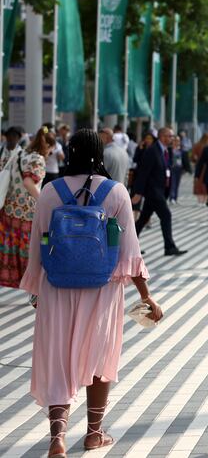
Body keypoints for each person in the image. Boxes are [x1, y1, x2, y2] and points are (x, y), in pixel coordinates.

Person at [21, 129, 162, 456]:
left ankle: (57, 438)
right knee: (99, 356)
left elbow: (38, 244)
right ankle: (94, 434)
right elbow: (130, 253)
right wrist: (146, 296)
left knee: (57, 359)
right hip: (103, 289)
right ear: (100, 154)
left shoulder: (49, 191)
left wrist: (36, 287)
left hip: (57, 288)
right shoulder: (116, 193)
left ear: (69, 153)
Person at [0, 127, 55, 289]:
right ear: (48, 146)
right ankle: (32, 285)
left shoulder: (20, 153)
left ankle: (13, 279)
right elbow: (28, 182)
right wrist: (42, 200)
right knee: (29, 249)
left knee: (11, 246)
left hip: (10, 208)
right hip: (27, 211)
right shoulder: (37, 159)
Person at [132, 128, 187, 256]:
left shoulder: (166, 151)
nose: (172, 138)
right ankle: (169, 247)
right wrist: (138, 192)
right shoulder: (152, 151)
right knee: (166, 216)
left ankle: (127, 244)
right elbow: (143, 173)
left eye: (173, 136)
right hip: (153, 191)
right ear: (162, 137)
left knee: (143, 219)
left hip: (160, 191)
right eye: (170, 136)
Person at [169, 136, 190, 204]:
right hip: (172, 168)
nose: (176, 142)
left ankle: (175, 198)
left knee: (177, 183)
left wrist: (186, 169)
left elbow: (185, 160)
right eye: (175, 140)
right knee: (172, 183)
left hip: (179, 168)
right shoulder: (169, 149)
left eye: (178, 141)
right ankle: (172, 197)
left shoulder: (182, 150)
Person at [191, 133, 208, 204]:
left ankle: (200, 200)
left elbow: (193, 156)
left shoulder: (197, 145)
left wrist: (196, 160)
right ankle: (206, 199)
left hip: (199, 166)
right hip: (207, 167)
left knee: (199, 182)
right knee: (206, 183)